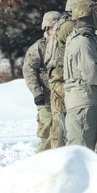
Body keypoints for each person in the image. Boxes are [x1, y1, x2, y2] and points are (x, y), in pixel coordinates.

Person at [64, 0, 97, 149]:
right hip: (84, 101)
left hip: (80, 99)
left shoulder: (76, 37)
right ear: (88, 15)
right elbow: (94, 75)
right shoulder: (84, 41)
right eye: (95, 13)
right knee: (81, 148)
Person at [45, 0, 92, 148]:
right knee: (65, 127)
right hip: (63, 82)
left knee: (63, 125)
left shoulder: (62, 24)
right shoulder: (70, 26)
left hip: (58, 80)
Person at [24, 10, 62, 152]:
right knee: (47, 131)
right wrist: (37, 93)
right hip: (46, 99)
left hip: (63, 97)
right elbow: (28, 72)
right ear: (47, 28)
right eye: (53, 28)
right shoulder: (38, 47)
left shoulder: (64, 44)